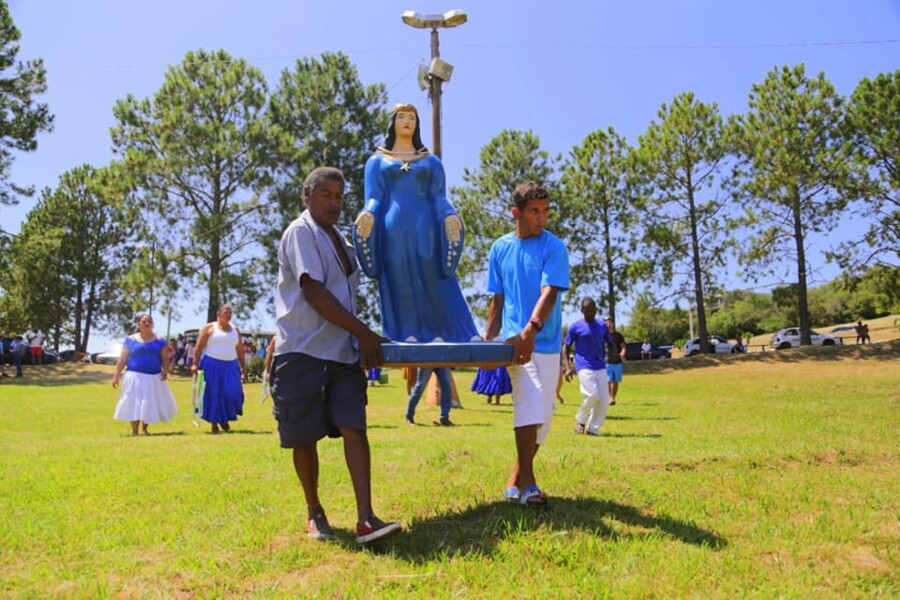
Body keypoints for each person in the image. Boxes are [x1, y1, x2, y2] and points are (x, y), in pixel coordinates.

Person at [271, 166, 401, 544]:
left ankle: (366, 519)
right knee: (303, 436)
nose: (334, 203)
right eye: (326, 194)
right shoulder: (300, 232)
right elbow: (313, 292)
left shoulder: (341, 241)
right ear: (307, 195)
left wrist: (360, 338)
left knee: (354, 427)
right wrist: (364, 332)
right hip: (302, 351)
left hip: (342, 353)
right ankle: (314, 511)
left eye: (340, 196)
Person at [353, 103, 479, 343]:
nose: (407, 121)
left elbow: (439, 197)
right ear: (393, 123)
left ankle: (447, 331)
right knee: (399, 276)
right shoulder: (377, 162)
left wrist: (449, 215)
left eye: (412, 117)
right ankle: (407, 331)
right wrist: (368, 214)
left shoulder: (431, 162)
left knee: (434, 277)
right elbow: (374, 197)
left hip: (426, 226)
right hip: (392, 228)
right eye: (401, 117)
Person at [485, 181, 569, 507]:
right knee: (529, 402)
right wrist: (487, 340)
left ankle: (515, 479)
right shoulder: (499, 249)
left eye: (546, 211)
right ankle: (530, 485)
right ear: (516, 212)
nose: (541, 218)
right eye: (535, 211)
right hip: (513, 343)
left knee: (543, 421)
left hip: (544, 341)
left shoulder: (553, 247)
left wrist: (532, 330)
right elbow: (498, 297)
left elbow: (549, 293)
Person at [111, 315, 178, 436]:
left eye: (149, 321)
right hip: (134, 375)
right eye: (144, 321)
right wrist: (116, 375)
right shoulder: (130, 340)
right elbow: (123, 358)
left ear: (152, 324)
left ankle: (145, 429)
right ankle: (134, 431)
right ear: (138, 323)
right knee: (133, 401)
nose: (146, 323)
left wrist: (165, 371)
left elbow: (165, 358)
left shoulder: (159, 340)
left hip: (153, 376)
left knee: (149, 401)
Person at [191, 304, 246, 434]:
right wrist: (195, 363)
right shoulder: (209, 328)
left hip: (231, 366)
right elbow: (199, 347)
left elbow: (240, 349)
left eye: (230, 312)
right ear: (218, 313)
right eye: (226, 312)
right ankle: (215, 423)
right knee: (214, 394)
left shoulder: (235, 330)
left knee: (233, 393)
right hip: (212, 365)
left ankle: (224, 418)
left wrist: (243, 366)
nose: (228, 314)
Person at [564, 298, 614, 436]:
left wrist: (616, 355)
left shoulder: (602, 326)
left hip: (600, 365)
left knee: (603, 399)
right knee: (592, 395)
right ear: (582, 311)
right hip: (583, 365)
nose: (591, 313)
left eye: (593, 310)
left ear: (596, 310)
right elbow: (566, 347)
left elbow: (610, 342)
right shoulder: (575, 327)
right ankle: (580, 421)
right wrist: (567, 367)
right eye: (588, 311)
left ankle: (593, 428)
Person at [605, 317, 626, 405]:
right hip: (606, 362)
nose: (608, 325)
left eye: (609, 323)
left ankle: (613, 397)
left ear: (613, 324)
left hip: (617, 362)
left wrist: (622, 352)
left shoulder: (618, 335)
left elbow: (623, 346)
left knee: (615, 381)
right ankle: (610, 397)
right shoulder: (603, 335)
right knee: (608, 381)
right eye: (606, 323)